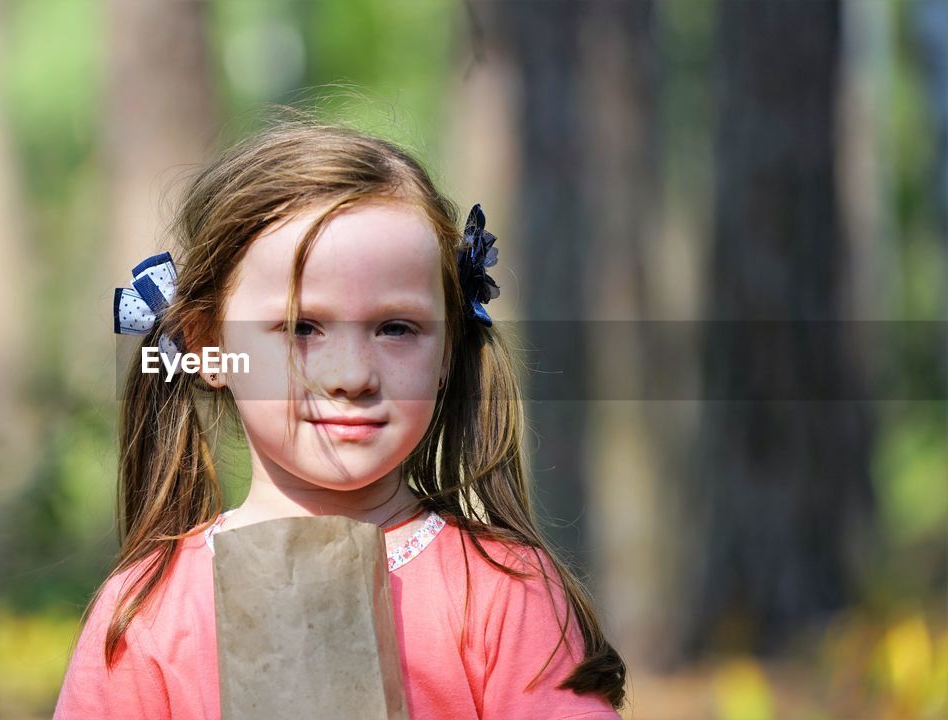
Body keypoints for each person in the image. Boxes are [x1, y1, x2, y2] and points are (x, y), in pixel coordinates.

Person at [53, 116, 627, 719]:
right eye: (301, 327)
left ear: (448, 351)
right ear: (205, 347)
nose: (352, 374)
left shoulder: (504, 593)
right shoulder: (147, 611)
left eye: (396, 328)